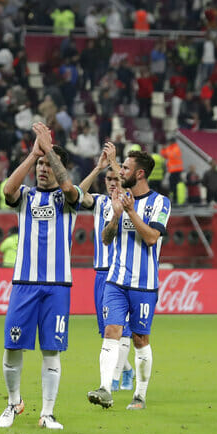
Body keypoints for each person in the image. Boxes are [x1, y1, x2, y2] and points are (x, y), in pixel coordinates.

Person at [0, 122, 81, 430]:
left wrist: (49, 150)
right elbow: (7, 190)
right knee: (12, 346)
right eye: (41, 165)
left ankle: (47, 413)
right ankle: (13, 403)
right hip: (24, 284)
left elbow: (70, 188)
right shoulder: (26, 197)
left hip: (58, 286)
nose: (43, 169)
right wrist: (33, 154)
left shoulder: (69, 198)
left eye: (48, 164)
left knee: (51, 349)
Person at [88, 149, 171, 411]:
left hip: (144, 285)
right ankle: (105, 388)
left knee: (140, 340)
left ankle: (140, 395)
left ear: (139, 174)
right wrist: (116, 215)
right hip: (115, 280)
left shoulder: (160, 203)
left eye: (124, 169)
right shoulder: (120, 199)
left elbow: (151, 238)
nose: (118, 173)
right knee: (112, 332)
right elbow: (105, 238)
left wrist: (131, 212)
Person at [77, 142, 133, 393]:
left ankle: (111, 380)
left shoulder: (130, 201)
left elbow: (125, 185)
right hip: (101, 274)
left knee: (124, 331)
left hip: (123, 273)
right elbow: (77, 193)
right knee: (107, 331)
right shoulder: (99, 202)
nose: (112, 182)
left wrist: (114, 163)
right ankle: (126, 369)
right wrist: (98, 168)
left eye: (115, 177)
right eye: (108, 179)